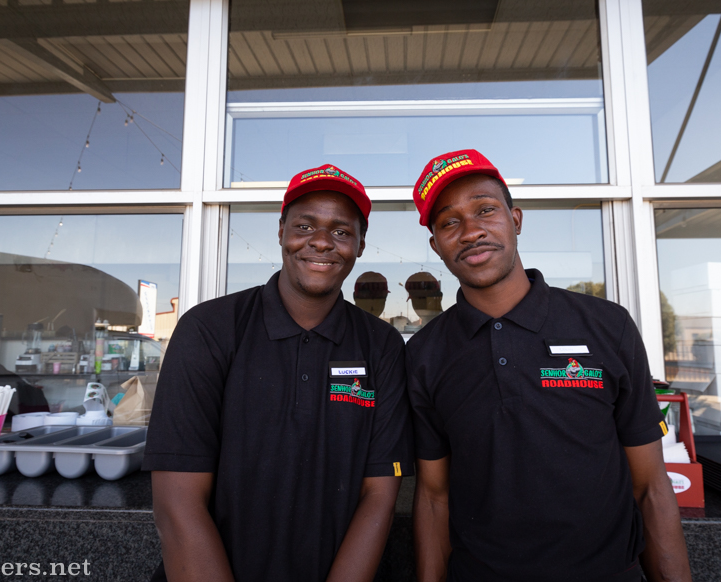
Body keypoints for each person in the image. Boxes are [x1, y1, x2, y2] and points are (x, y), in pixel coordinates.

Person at [406, 150, 691, 582]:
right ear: (436, 244)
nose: (471, 231)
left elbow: (650, 486)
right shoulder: (425, 352)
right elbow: (433, 497)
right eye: (449, 222)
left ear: (516, 220)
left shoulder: (606, 326)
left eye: (485, 209)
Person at [143, 164, 414, 582]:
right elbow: (177, 505)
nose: (322, 242)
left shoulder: (383, 346)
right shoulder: (209, 329)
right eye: (305, 225)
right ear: (282, 229)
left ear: (360, 245)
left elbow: (379, 494)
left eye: (342, 231)